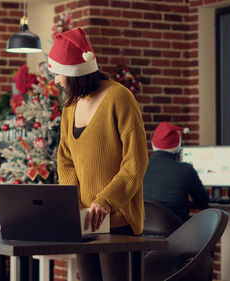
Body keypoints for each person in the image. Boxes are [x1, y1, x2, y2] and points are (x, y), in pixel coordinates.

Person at [51, 27, 148, 281]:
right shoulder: (70, 107)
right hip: (84, 222)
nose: (56, 81)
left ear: (74, 73)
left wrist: (105, 200)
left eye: (58, 73)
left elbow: (135, 163)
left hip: (118, 220)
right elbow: (65, 159)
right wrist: (73, 202)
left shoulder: (120, 97)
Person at [143, 122, 209, 221]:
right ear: (178, 145)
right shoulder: (187, 170)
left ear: (153, 144)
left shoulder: (140, 167)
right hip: (176, 233)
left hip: (142, 231)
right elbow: (203, 202)